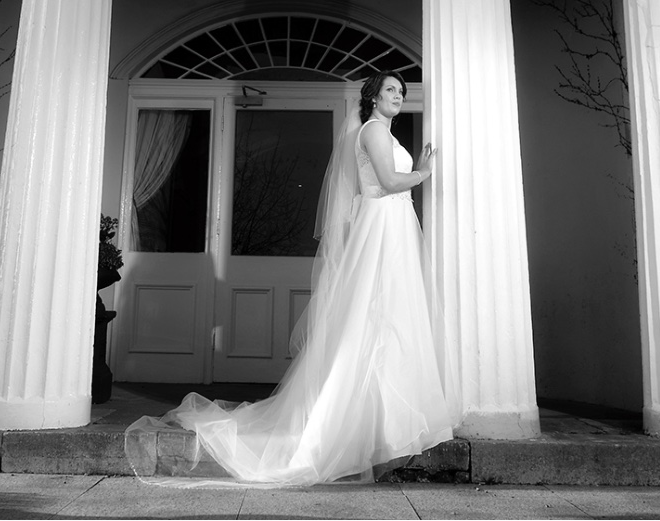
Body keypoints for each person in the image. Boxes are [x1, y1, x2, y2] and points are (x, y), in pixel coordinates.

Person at [124, 71, 452, 486]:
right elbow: (387, 183)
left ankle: (386, 420)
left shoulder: (386, 134)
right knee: (368, 320)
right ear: (372, 97)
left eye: (402, 92)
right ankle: (345, 422)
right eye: (390, 90)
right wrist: (423, 174)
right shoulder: (371, 131)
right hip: (382, 226)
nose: (399, 96)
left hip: (394, 226)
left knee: (391, 318)